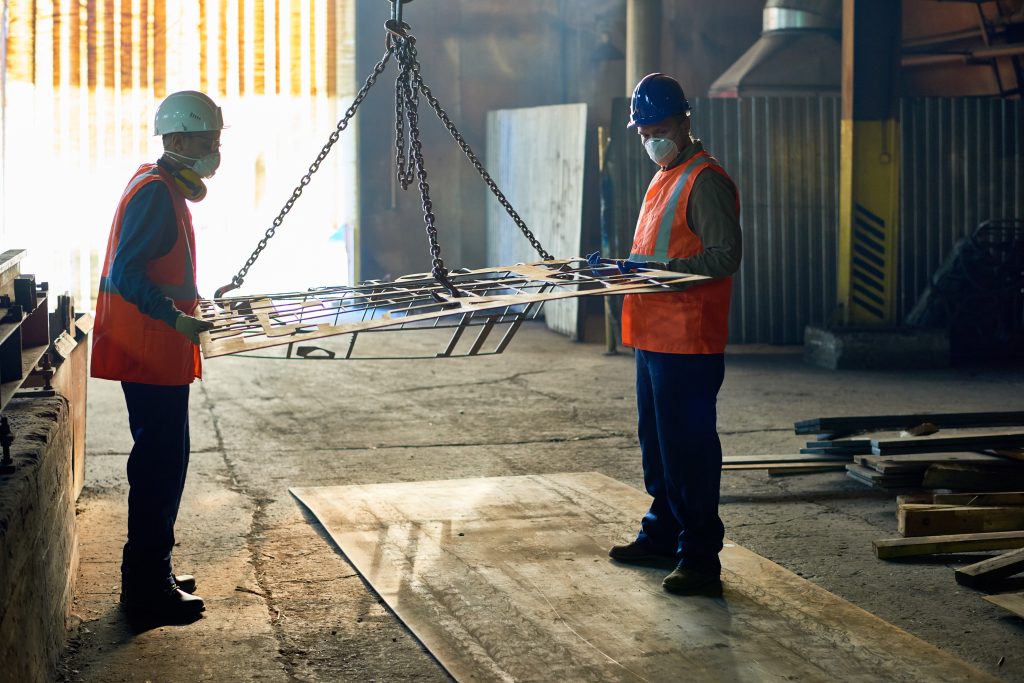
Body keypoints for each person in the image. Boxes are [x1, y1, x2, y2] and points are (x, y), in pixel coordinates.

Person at [588, 73, 742, 595]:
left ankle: (700, 558)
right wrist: (624, 269)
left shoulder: (706, 179)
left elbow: (724, 256)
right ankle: (661, 536)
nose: (649, 137)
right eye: (642, 130)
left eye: (657, 127)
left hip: (687, 342)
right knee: (657, 447)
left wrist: (661, 270)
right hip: (653, 337)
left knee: (689, 451)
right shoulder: (663, 175)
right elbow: (654, 250)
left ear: (683, 121)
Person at [92, 90, 222, 622]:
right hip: (148, 352)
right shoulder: (153, 192)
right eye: (207, 138)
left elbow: (166, 267)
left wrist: (192, 303)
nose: (216, 148)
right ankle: (144, 590)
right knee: (159, 468)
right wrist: (175, 318)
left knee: (168, 463)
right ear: (176, 139)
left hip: (159, 354)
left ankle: (155, 569)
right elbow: (129, 273)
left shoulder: (162, 183)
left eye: (216, 138)